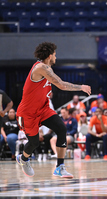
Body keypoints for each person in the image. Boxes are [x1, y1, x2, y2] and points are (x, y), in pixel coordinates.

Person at [16, 42, 91, 178]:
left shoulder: (47, 68)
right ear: (50, 56)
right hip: (27, 113)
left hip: (43, 108)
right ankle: (23, 159)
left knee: (61, 128)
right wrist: (81, 87)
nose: (56, 57)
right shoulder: (41, 68)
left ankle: (60, 167)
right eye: (55, 54)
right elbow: (61, 85)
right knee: (34, 143)